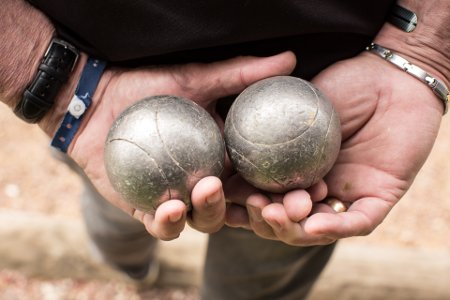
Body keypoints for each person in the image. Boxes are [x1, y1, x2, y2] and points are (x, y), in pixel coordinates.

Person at [1, 0, 449, 299]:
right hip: (99, 97)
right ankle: (133, 271)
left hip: (332, 93)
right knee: (119, 215)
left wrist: (423, 46)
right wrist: (52, 82)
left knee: (270, 254)